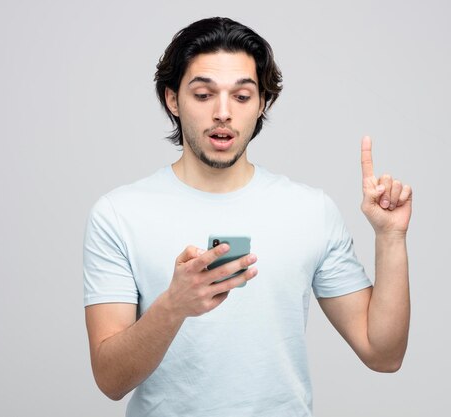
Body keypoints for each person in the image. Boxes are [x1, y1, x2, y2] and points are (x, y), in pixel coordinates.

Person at [83, 16, 413, 417]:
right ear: (172, 99)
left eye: (242, 97)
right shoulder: (119, 214)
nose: (223, 113)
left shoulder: (310, 211)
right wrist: (175, 305)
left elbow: (383, 354)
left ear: (261, 104)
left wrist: (391, 238)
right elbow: (110, 380)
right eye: (203, 95)